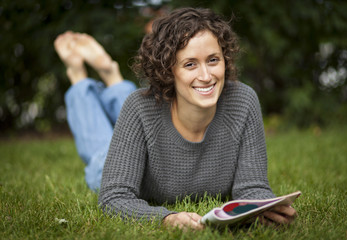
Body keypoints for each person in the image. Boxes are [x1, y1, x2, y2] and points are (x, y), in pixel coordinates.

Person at [55, 7, 297, 231]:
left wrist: (263, 208)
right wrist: (165, 218)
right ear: (168, 71)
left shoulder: (243, 101)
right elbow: (114, 196)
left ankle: (112, 76)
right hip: (123, 161)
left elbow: (251, 186)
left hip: (155, 110)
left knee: (138, 107)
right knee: (101, 153)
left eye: (213, 60)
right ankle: (79, 76)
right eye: (190, 64)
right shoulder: (139, 107)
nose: (206, 75)